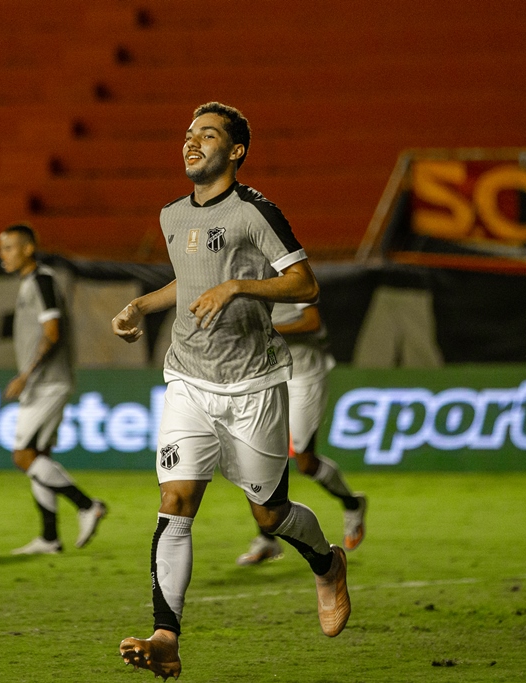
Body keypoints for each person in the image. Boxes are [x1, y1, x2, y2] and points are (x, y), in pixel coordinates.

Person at [112, 102, 351, 679]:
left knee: (268, 516)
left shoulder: (255, 212)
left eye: (208, 135)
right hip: (188, 379)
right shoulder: (172, 214)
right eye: (189, 134)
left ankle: (327, 563)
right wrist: (143, 304)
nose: (191, 143)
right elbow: (189, 281)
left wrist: (239, 286)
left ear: (236, 151)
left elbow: (306, 282)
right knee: (175, 500)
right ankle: (166, 635)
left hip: (253, 383)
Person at [0, 223, 106, 555]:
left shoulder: (42, 281)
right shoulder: (30, 283)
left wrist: (26, 375)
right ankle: (49, 538)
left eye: (9, 248)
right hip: (44, 382)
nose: (2, 255)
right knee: (40, 455)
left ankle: (87, 505)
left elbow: (53, 332)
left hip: (48, 383)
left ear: (28, 248)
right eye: (1, 248)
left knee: (23, 456)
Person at [236, 302, 368, 566]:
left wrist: (266, 328)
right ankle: (267, 539)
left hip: (304, 374)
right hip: (267, 373)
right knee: (257, 457)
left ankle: (352, 504)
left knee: (305, 462)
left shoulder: (289, 270)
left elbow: (311, 322)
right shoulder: (241, 276)